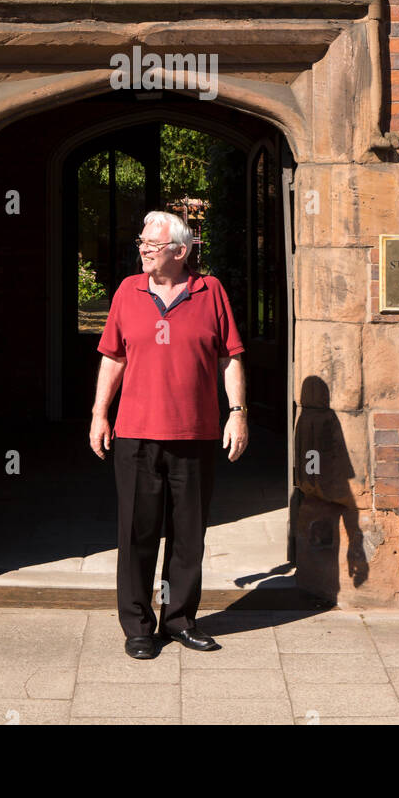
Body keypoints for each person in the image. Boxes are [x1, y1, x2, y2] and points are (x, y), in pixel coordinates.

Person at [89, 210, 248, 659]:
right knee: (137, 532)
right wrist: (100, 413)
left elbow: (230, 357)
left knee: (188, 534)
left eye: (152, 245)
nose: (142, 249)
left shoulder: (210, 291)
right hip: (136, 434)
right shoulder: (127, 290)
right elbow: (113, 357)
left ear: (181, 251)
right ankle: (138, 626)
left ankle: (179, 620)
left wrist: (237, 412)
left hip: (195, 434)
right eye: (141, 242)